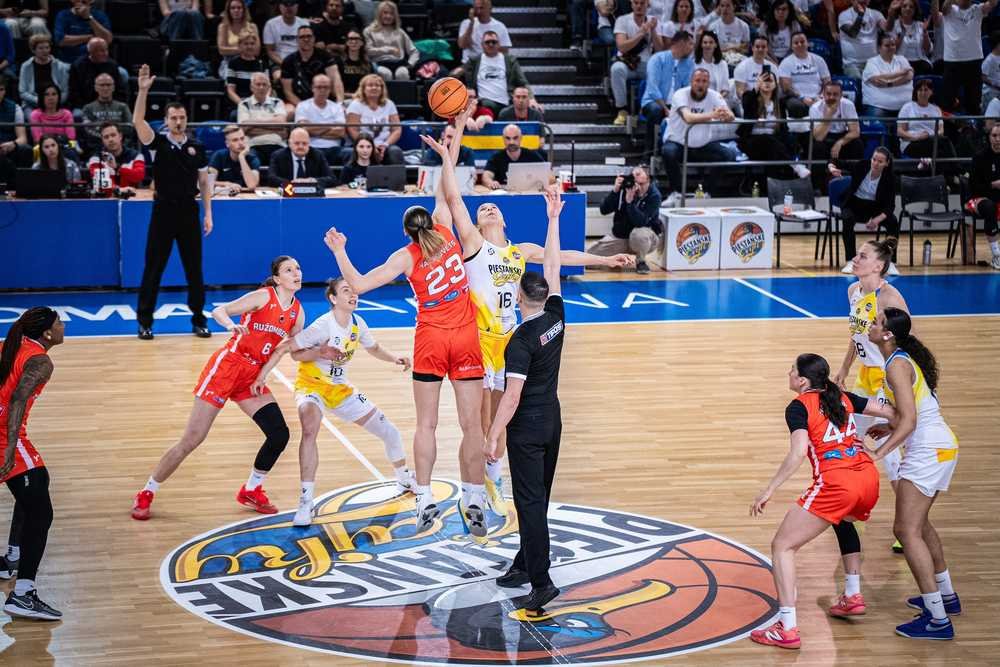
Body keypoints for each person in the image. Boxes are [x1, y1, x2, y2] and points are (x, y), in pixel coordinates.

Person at [422, 118, 631, 517]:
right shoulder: (473, 243)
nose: (488, 208)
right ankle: (475, 488)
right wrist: (449, 154)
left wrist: (604, 260)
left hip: (510, 342)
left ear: (504, 221)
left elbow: (560, 257)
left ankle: (494, 477)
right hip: (477, 341)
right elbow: (453, 197)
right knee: (479, 421)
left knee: (503, 417)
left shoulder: (519, 251)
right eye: (483, 207)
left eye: (493, 207)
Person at [323, 191, 490, 540]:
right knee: (472, 425)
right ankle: (474, 496)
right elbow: (446, 192)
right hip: (465, 337)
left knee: (426, 424)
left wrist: (339, 251)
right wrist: (448, 158)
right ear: (431, 220)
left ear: (406, 232)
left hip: (431, 340)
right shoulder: (446, 231)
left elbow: (359, 284)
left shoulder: (405, 256)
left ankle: (424, 498)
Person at [131, 257, 304, 521]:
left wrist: (319, 350)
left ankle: (251, 489)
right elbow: (220, 311)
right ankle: (147, 491)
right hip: (228, 366)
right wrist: (229, 325)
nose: (296, 273)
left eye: (298, 269)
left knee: (279, 434)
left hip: (252, 376)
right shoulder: (263, 296)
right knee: (192, 439)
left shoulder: (297, 312)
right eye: (289, 270)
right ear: (278, 279)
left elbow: (291, 348)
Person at [749, 353, 892, 649]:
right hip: (868, 478)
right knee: (842, 520)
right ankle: (852, 594)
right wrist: (889, 433)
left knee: (782, 546)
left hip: (838, 484)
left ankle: (787, 627)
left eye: (792, 370)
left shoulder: (799, 407)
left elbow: (798, 452)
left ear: (802, 381)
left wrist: (769, 489)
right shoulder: (842, 396)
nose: (788, 373)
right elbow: (895, 412)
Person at [251, 277, 415, 526]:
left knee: (390, 432)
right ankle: (306, 502)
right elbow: (290, 351)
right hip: (311, 386)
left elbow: (373, 347)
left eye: (354, 291)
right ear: (333, 298)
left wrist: (394, 358)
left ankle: (403, 478)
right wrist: (265, 375)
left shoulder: (358, 323)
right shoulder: (323, 326)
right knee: (309, 429)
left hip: (340, 389)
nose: (353, 295)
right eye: (346, 291)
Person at [486, 187, 567, 614]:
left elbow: (512, 395)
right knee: (538, 496)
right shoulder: (556, 318)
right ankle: (523, 562)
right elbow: (552, 265)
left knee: (529, 503)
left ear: (519, 299)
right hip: (553, 420)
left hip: (528, 427)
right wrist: (553, 219)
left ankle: (541, 581)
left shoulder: (519, 341)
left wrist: (493, 433)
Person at [865, 308, 961, 639]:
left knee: (905, 531)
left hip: (928, 451)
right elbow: (913, 413)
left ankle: (937, 620)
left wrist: (879, 453)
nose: (871, 325)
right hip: (939, 446)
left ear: (888, 334)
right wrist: (887, 426)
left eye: (877, 322)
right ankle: (946, 597)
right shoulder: (900, 360)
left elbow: (910, 421)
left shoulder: (897, 365)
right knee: (919, 525)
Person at [133, 64, 213, 341]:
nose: (178, 121)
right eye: (173, 117)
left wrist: (208, 214)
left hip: (189, 211)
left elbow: (204, 183)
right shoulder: (157, 143)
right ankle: (145, 322)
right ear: (166, 120)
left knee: (194, 269)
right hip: (163, 211)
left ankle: (199, 320)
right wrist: (143, 91)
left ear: (186, 119)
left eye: (181, 117)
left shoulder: (197, 147)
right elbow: (138, 122)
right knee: (153, 268)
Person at [0, 307, 65, 621]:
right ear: (47, 333)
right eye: (59, 323)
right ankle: (23, 594)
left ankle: (12, 558)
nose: (64, 326)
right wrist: (11, 448)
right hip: (5, 436)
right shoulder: (40, 361)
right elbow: (16, 401)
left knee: (34, 489)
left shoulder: (10, 345)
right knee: (41, 510)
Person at [661, 67, 737, 198]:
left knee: (729, 155)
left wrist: (727, 115)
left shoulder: (714, 95)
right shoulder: (680, 95)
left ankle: (706, 192)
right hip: (679, 143)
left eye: (704, 81)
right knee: (668, 152)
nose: (700, 84)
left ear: (708, 83)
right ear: (691, 82)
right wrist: (713, 115)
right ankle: (676, 192)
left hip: (703, 145)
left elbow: (731, 115)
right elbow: (688, 118)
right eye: (697, 81)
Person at [830, 148, 899, 269]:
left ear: (887, 163)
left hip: (875, 207)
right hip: (853, 203)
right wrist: (831, 167)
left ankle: (890, 263)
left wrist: (876, 220)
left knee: (893, 222)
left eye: (880, 161)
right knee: (847, 219)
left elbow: (890, 206)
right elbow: (834, 161)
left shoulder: (890, 178)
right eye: (874, 159)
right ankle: (850, 261)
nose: (875, 163)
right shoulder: (862, 165)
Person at [739, 70, 810, 180]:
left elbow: (783, 128)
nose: (767, 83)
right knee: (768, 139)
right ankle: (795, 165)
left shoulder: (779, 103)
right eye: (764, 80)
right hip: (752, 142)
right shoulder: (750, 97)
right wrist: (756, 86)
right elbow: (746, 102)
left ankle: (776, 184)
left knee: (781, 143)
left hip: (773, 143)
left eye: (770, 81)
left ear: (776, 85)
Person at [590, 165, 661, 273]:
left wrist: (630, 203)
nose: (634, 177)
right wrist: (615, 190)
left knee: (638, 234)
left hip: (646, 238)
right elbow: (604, 210)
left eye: (638, 174)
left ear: (648, 177)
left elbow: (641, 222)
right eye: (633, 175)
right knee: (589, 259)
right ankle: (620, 256)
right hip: (621, 237)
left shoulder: (654, 195)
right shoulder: (624, 189)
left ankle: (641, 261)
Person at [931, 0, 998, 114]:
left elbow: (993, 3)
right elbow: (941, 10)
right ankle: (948, 125)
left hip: (973, 61)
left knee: (973, 102)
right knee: (947, 101)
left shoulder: (977, 9)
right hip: (952, 61)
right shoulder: (949, 9)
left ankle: (973, 124)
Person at [612, 0, 665, 126]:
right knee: (616, 69)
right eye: (636, 3)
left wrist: (653, 31)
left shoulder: (653, 21)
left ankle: (644, 110)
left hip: (646, 63)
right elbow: (622, 47)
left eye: (642, 3)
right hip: (626, 61)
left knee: (658, 72)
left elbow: (660, 50)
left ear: (647, 4)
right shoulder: (622, 20)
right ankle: (622, 109)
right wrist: (641, 33)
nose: (639, 6)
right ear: (631, 4)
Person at [641, 30, 694, 152]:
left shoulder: (689, 64)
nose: (692, 48)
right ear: (681, 43)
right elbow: (652, 88)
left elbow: (687, 88)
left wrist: (680, 107)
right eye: (690, 44)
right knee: (656, 110)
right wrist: (665, 108)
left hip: (676, 103)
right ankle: (648, 151)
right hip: (654, 102)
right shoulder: (657, 59)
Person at [463, 30, 533, 115]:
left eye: (494, 42)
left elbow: (523, 82)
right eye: (487, 42)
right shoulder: (474, 61)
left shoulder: (510, 61)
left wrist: (532, 99)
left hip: (507, 102)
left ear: (499, 44)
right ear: (482, 44)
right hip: (484, 104)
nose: (491, 44)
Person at [809, 80, 863, 189]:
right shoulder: (815, 108)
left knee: (857, 144)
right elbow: (818, 137)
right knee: (817, 147)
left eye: (835, 94)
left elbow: (855, 131)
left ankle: (856, 184)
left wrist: (840, 143)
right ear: (823, 94)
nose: (831, 97)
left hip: (842, 136)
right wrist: (829, 115)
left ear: (841, 95)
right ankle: (818, 187)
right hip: (824, 138)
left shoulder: (848, 105)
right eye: (828, 94)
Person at [897, 78, 957, 171]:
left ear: (931, 92)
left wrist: (929, 135)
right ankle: (958, 172)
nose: (923, 92)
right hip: (911, 143)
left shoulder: (936, 109)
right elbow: (900, 132)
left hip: (932, 140)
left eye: (926, 90)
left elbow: (941, 131)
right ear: (916, 92)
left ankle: (950, 175)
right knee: (943, 146)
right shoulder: (907, 107)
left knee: (941, 149)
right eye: (920, 90)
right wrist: (917, 137)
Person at [345, 73, 404, 164]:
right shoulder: (356, 104)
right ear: (363, 89)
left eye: (377, 85)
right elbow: (352, 130)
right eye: (370, 85)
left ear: (382, 89)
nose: (374, 88)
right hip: (362, 144)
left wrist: (385, 145)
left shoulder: (389, 104)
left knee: (395, 152)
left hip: (384, 144)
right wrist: (370, 146)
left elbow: (396, 130)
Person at [281, 24, 344, 107]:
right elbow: (288, 92)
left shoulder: (325, 56)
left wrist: (340, 103)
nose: (306, 39)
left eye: (309, 36)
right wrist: (304, 107)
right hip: (300, 103)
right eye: (302, 37)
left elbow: (336, 80)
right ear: (297, 40)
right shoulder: (288, 61)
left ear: (314, 38)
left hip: (325, 101)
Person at [965, 123, 1000, 270]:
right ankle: (997, 255)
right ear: (989, 137)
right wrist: (993, 185)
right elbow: (974, 187)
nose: (997, 139)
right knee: (989, 207)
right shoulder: (980, 157)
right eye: (994, 136)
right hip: (978, 198)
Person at [237, 72, 289, 164]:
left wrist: (253, 124)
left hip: (277, 144)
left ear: (269, 87)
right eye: (258, 84)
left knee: (282, 162)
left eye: (264, 84)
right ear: (251, 87)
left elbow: (281, 123)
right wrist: (274, 129)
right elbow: (244, 128)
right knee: (251, 161)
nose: (261, 87)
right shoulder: (244, 104)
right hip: (253, 145)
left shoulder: (277, 102)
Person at [779, 31, 832, 120]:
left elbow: (827, 82)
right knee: (795, 105)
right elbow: (786, 88)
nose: (799, 44)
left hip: (819, 96)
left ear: (807, 43)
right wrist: (802, 98)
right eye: (796, 43)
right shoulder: (786, 62)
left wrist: (821, 96)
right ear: (791, 46)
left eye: (802, 42)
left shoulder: (819, 60)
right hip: (797, 98)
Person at [295, 73, 347, 163]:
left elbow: (341, 132)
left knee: (350, 153)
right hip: (310, 148)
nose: (322, 90)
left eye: (326, 87)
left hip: (334, 148)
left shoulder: (337, 107)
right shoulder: (302, 106)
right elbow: (304, 130)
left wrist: (313, 131)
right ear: (313, 88)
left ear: (330, 89)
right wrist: (331, 126)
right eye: (319, 87)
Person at [861, 32, 914, 119]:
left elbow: (909, 76)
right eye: (887, 45)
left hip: (905, 107)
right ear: (879, 48)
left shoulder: (902, 59)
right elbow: (876, 80)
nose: (891, 48)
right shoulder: (872, 62)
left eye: (893, 45)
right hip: (878, 106)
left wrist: (889, 84)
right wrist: (900, 73)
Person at [363, 0, 418, 80]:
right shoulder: (369, 31)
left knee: (402, 73)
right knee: (385, 73)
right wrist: (388, 50)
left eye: (392, 13)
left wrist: (410, 64)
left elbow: (414, 51)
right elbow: (368, 51)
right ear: (379, 14)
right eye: (385, 13)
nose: (388, 16)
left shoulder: (400, 31)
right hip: (378, 63)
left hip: (399, 63)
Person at [67, 37, 125, 111]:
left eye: (106, 50)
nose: (105, 53)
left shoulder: (112, 65)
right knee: (78, 114)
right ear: (91, 52)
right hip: (84, 105)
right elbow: (74, 92)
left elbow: (119, 90)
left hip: (109, 105)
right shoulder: (78, 66)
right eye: (101, 51)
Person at [79, 73, 132, 153]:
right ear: (96, 87)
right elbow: (88, 130)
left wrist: (115, 139)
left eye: (108, 85)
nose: (105, 88)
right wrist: (106, 138)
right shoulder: (88, 108)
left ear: (113, 87)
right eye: (102, 85)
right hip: (95, 148)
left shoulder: (123, 107)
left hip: (122, 147)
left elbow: (129, 128)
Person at [481, 123, 545, 189]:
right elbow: (486, 176)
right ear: (503, 139)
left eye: (515, 138)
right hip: (504, 193)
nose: (511, 142)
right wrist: (490, 182)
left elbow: (549, 175)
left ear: (521, 138)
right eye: (508, 138)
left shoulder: (532, 155)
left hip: (529, 192)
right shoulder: (496, 157)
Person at [267, 126, 335, 188]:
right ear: (289, 143)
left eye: (304, 143)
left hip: (311, 195)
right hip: (288, 194)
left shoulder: (317, 155)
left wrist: (311, 181)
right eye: (297, 143)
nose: (301, 147)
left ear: (309, 144)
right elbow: (271, 178)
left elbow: (332, 178)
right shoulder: (278, 156)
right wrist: (292, 184)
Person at [18, 34, 70, 113]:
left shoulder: (60, 66)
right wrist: (41, 101)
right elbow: (23, 92)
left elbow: (65, 91)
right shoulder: (26, 66)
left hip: (56, 105)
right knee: (32, 118)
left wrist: (54, 102)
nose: (45, 51)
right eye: (41, 48)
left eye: (47, 47)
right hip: (33, 105)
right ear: (33, 50)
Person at [86, 122, 145, 192]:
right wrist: (119, 190)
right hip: (107, 197)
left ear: (120, 136)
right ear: (102, 140)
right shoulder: (95, 159)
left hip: (131, 197)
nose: (110, 139)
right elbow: (100, 183)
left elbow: (139, 176)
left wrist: (117, 168)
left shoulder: (136, 156)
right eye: (106, 137)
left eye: (113, 135)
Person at [838, 0, 887, 79]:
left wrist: (891, 12)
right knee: (857, 79)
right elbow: (853, 33)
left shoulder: (876, 14)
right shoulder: (844, 15)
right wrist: (860, 15)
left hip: (873, 62)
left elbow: (887, 29)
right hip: (852, 64)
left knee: (880, 80)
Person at [457, 0, 511, 68]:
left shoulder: (500, 26)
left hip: (491, 64)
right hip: (470, 64)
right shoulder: (466, 23)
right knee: (454, 73)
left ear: (490, 9)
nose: (479, 11)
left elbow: (504, 51)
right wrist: (471, 24)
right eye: (476, 8)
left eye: (481, 8)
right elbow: (462, 45)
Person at [0, 78, 33, 187]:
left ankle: (21, 188)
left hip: (7, 148)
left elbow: (22, 138)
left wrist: (13, 144)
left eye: (1, 89)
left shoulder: (15, 108)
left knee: (26, 150)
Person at [887, 0, 933, 76]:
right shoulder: (894, 25)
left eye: (911, 7)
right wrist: (902, 33)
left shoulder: (921, 25)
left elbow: (927, 50)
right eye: (904, 6)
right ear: (900, 9)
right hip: (901, 61)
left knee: (926, 68)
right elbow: (891, 50)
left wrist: (925, 32)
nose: (908, 8)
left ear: (915, 10)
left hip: (919, 60)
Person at [209, 124, 260, 191]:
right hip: (224, 195)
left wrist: (241, 157)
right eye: (235, 140)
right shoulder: (219, 156)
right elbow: (208, 182)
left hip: (246, 195)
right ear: (227, 144)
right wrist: (227, 184)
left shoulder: (252, 157)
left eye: (242, 138)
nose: (240, 143)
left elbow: (252, 186)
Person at [226, 33, 270, 110]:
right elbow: (230, 91)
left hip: (260, 103)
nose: (249, 46)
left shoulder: (262, 63)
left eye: (252, 44)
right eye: (246, 44)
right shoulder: (233, 63)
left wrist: (261, 103)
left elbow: (268, 88)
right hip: (241, 103)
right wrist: (244, 105)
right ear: (239, 46)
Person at [264, 0, 310, 67]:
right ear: (280, 7)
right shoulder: (270, 24)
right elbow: (270, 51)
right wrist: (285, 65)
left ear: (297, 6)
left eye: (292, 4)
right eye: (285, 4)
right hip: (279, 62)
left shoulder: (304, 24)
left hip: (301, 62)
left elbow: (308, 47)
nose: (289, 8)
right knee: (278, 73)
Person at [694, 30, 733, 107]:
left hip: (718, 101)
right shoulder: (694, 64)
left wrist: (717, 100)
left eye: (711, 42)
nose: (708, 45)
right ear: (701, 45)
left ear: (715, 45)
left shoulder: (723, 64)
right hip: (698, 102)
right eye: (705, 42)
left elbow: (725, 89)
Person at [708, 0, 750, 65]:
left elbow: (746, 49)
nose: (725, 9)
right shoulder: (712, 27)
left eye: (728, 6)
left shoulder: (744, 26)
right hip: (719, 60)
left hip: (739, 60)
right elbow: (710, 48)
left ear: (734, 7)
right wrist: (730, 48)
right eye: (722, 6)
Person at [336, 29, 373, 94]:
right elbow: (335, 86)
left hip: (363, 96)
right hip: (344, 96)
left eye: (357, 39)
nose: (353, 42)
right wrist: (351, 96)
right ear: (346, 42)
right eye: (350, 39)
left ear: (362, 43)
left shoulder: (367, 63)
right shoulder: (338, 62)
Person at [982, 31, 1000, 109]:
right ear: (998, 45)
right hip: (991, 92)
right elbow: (983, 77)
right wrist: (994, 83)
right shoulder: (989, 60)